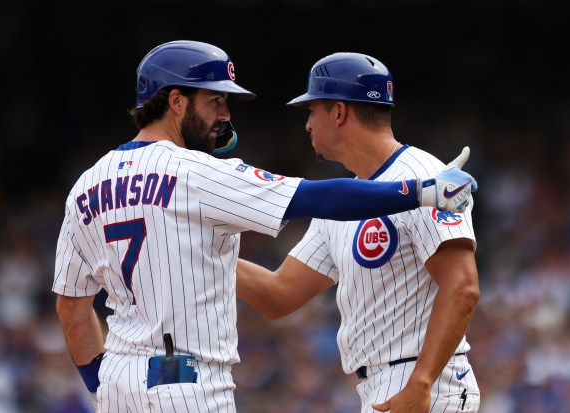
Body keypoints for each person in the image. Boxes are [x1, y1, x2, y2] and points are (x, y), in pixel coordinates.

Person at [52, 40, 477, 413]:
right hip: (189, 383)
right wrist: (422, 191)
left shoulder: (86, 184)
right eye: (215, 101)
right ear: (177, 102)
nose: (225, 114)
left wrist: (98, 381)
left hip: (118, 382)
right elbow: (308, 217)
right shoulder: (197, 172)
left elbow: (71, 306)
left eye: (311, 109)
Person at [236, 52, 481, 413]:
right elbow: (279, 294)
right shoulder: (343, 201)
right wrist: (207, 255)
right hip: (382, 387)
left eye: (311, 111)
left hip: (428, 383)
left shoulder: (426, 177)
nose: (307, 125)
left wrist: (421, 382)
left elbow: (463, 285)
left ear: (338, 112)